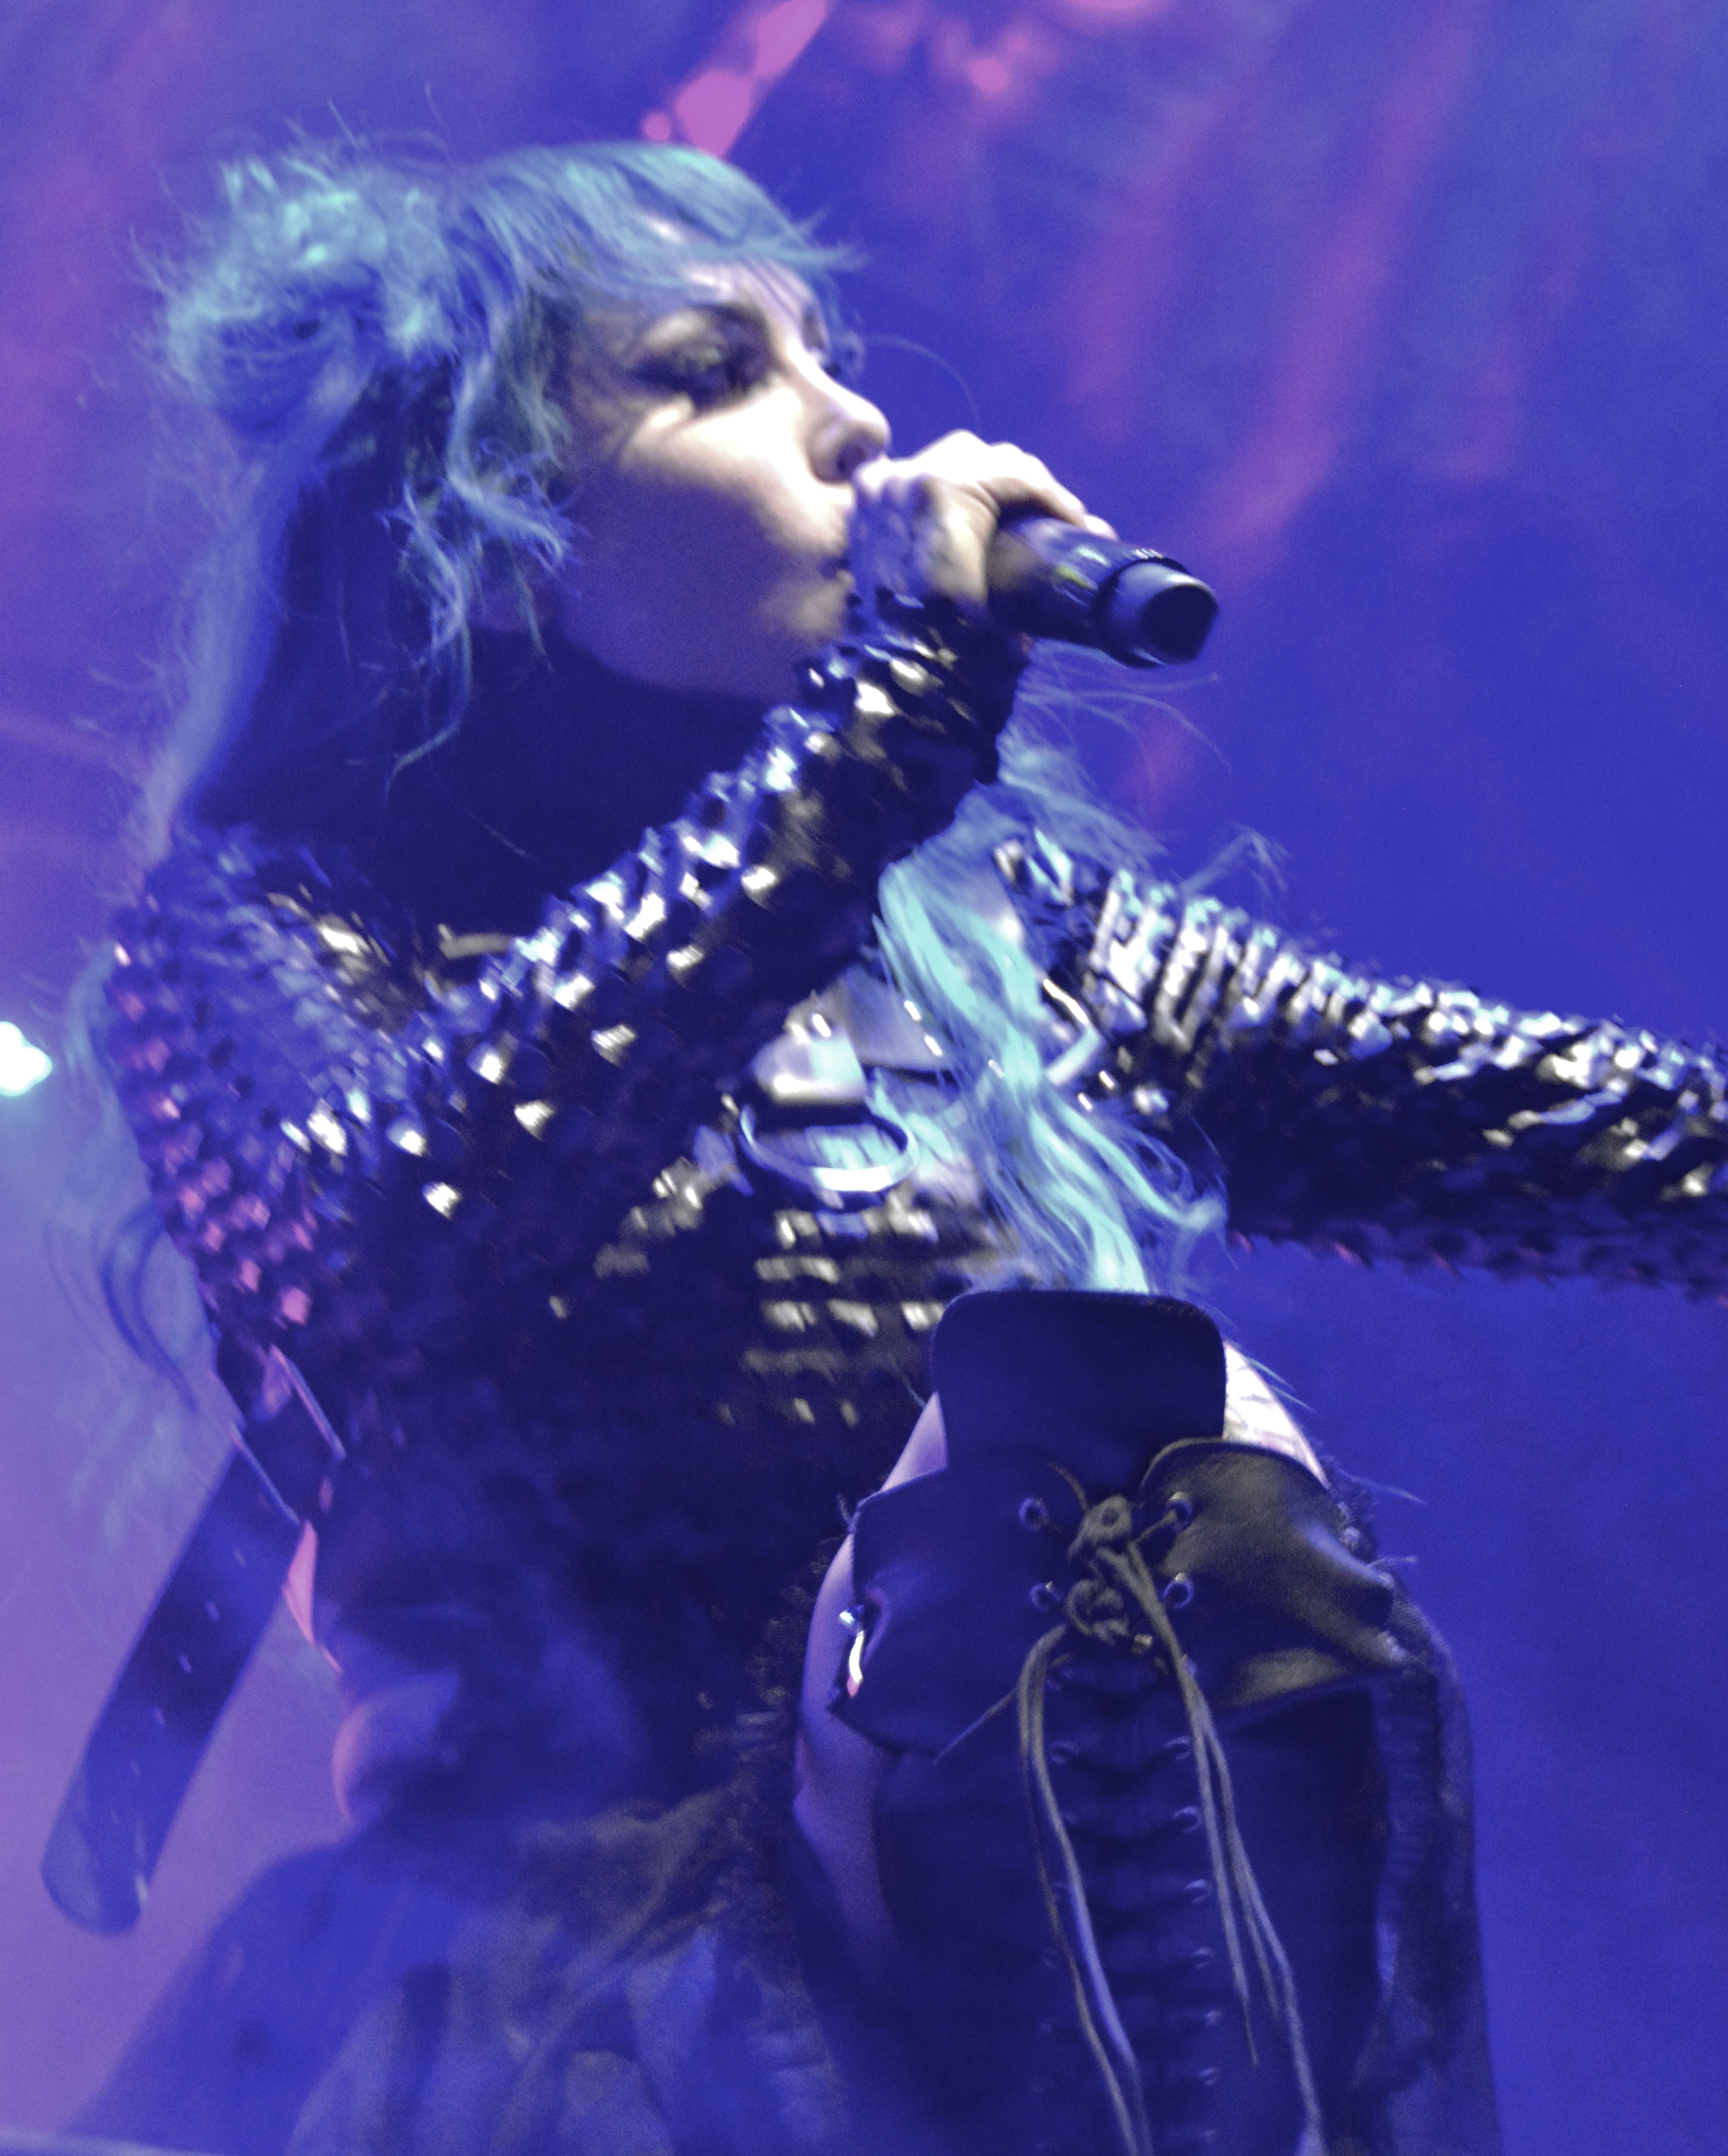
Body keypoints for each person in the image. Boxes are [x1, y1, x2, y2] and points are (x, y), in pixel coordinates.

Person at [66, 138, 1726, 2156]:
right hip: (565, 2024)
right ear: (488, 532)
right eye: (714, 370)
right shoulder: (276, 920)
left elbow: (1568, 1125)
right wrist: (890, 710)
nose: (849, 417)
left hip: (1031, 2014)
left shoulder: (1003, 942)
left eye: (823, 350)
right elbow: (381, 1227)